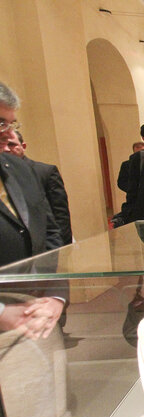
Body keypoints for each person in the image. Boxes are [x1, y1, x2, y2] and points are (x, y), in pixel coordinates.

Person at [0, 81, 65, 339]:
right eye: (0, 123)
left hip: (33, 319)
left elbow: (50, 235)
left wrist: (55, 296)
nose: (8, 133)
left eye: (10, 124)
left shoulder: (21, 170)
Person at [5, 129, 73, 244]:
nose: (7, 149)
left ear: (23, 146)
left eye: (12, 144)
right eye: (3, 144)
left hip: (44, 242)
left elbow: (60, 216)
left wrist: (61, 249)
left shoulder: (45, 171)